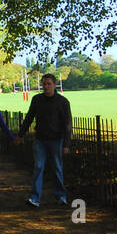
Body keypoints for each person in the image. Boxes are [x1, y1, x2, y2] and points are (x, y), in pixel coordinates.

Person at [15, 72, 72, 208]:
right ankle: (35, 198)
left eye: (49, 84)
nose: (46, 86)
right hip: (40, 140)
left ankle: (60, 196)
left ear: (54, 85)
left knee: (57, 168)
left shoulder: (63, 102)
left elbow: (68, 124)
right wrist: (20, 134)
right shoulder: (37, 100)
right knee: (38, 167)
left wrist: (66, 143)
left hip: (56, 140)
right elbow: (29, 118)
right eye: (44, 84)